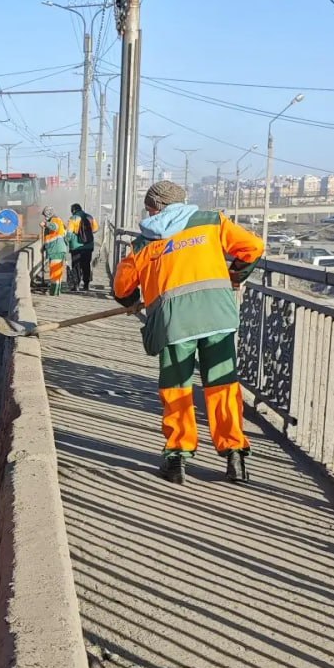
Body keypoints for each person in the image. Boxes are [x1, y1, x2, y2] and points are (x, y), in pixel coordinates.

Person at [112, 179, 264, 485]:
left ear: (155, 207)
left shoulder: (144, 241)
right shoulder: (212, 222)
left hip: (174, 322)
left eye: (149, 207)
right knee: (222, 385)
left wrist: (132, 303)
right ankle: (234, 455)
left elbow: (122, 287)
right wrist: (235, 275)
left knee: (177, 387)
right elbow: (254, 247)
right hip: (217, 316)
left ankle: (178, 458)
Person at [68, 202, 98, 292]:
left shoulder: (73, 219)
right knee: (86, 265)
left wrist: (66, 240)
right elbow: (95, 229)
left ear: (73, 210)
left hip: (76, 247)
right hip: (88, 245)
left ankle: (76, 285)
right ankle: (86, 284)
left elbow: (69, 233)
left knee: (76, 265)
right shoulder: (90, 217)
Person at [41, 207, 70, 295]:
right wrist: (45, 247)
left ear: (47, 214)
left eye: (45, 215)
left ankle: (53, 292)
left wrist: (45, 224)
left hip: (56, 250)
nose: (44, 217)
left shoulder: (55, 220)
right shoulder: (59, 220)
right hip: (58, 249)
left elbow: (54, 227)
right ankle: (57, 291)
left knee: (55, 272)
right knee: (58, 271)